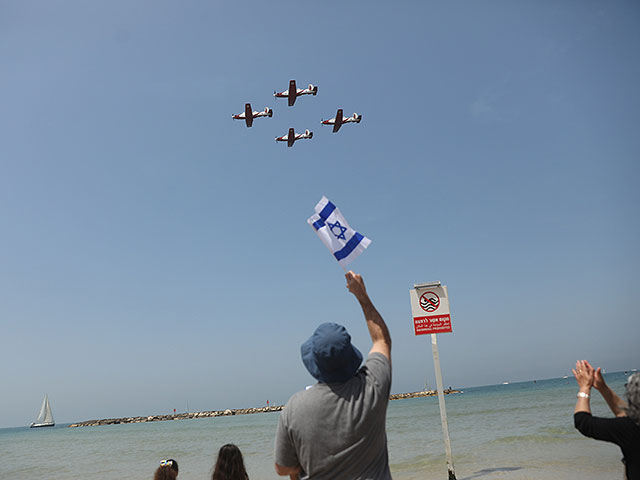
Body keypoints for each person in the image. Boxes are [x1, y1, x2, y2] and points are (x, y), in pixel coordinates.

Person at [274, 271, 392, 480]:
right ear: (350, 356)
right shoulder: (373, 387)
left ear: (314, 362)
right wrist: (361, 295)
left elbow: (283, 468)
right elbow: (381, 340)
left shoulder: (295, 407)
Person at [573, 360, 640, 480]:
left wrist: (584, 387)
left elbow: (583, 422)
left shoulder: (632, 429)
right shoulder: (632, 425)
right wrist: (603, 388)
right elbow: (624, 414)